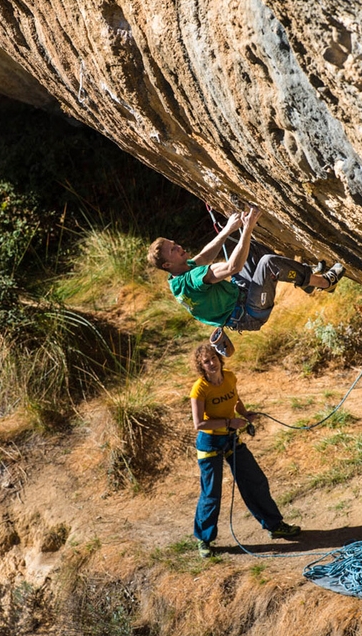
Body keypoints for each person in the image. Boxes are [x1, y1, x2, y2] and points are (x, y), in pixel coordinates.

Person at [147, 206, 345, 332]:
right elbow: (233, 267)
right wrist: (247, 228)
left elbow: (204, 257)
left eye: (175, 243)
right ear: (167, 264)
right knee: (268, 263)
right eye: (173, 249)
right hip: (250, 313)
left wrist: (228, 230)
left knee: (251, 248)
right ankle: (325, 282)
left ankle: (305, 279)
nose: (179, 247)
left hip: (241, 294)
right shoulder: (190, 280)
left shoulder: (178, 274)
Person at [190, 342, 300, 558]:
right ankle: (204, 540)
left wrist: (245, 413)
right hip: (210, 442)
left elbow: (235, 399)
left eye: (213, 358)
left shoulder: (229, 377)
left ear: (219, 358)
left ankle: (274, 525)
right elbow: (199, 424)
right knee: (211, 493)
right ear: (201, 366)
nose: (211, 363)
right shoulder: (200, 389)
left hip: (230, 439)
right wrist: (230, 422)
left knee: (255, 480)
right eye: (206, 361)